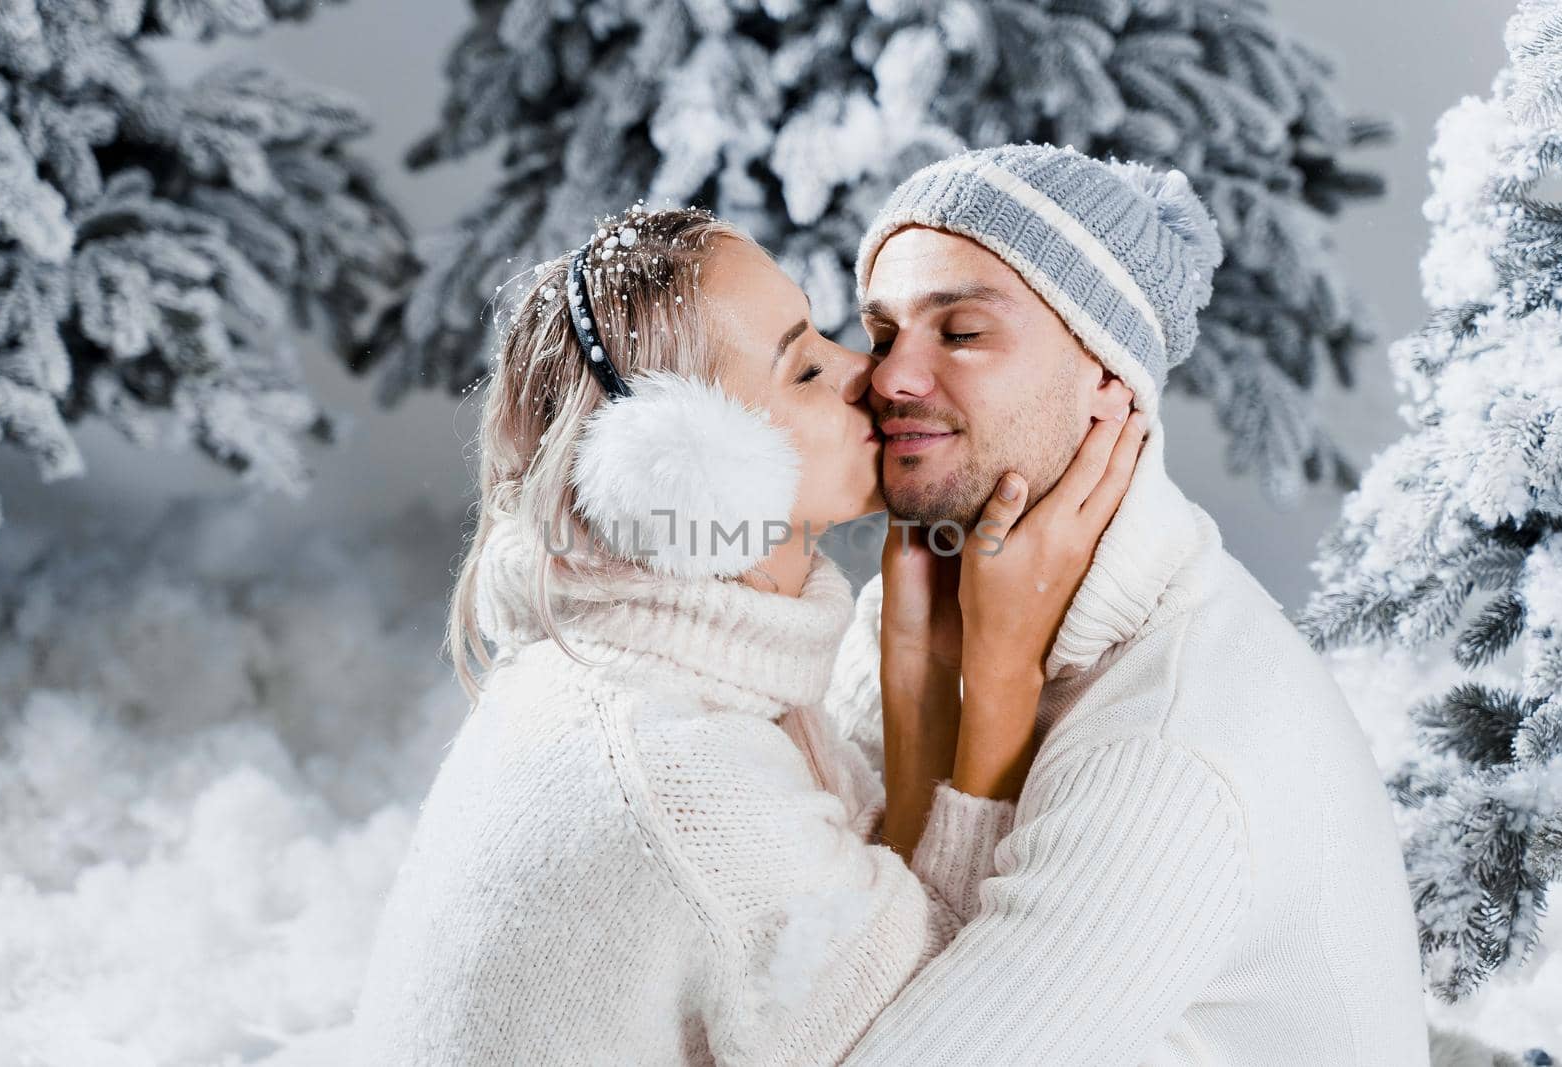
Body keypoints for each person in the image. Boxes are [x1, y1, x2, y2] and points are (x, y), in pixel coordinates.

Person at [348, 202, 1146, 1064]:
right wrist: (999, 673)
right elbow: (950, 1032)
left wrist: (914, 661)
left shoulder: (665, 681)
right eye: (803, 369)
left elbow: (869, 921)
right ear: (688, 467)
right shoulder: (678, 772)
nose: (869, 375)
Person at [824, 143, 1434, 1064]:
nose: (891, 378)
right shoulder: (918, 600)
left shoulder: (1172, 739)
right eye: (882, 333)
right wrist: (919, 688)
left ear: (1110, 383)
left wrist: (994, 691)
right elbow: (811, 959)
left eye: (959, 332)